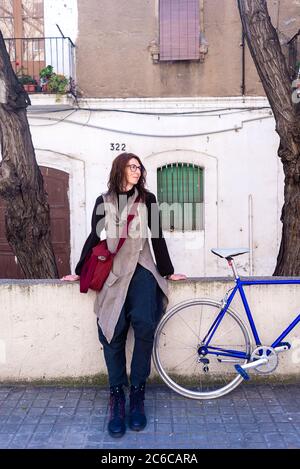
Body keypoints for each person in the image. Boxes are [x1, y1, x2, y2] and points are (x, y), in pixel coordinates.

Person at [61, 152, 186, 438]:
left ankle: (137, 396)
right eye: (132, 166)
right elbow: (95, 239)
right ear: (120, 169)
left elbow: (157, 238)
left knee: (144, 327)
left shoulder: (148, 200)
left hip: (142, 272)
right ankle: (117, 397)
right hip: (114, 275)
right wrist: (80, 270)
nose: (137, 171)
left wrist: (167, 271)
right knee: (111, 332)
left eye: (139, 167)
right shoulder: (103, 202)